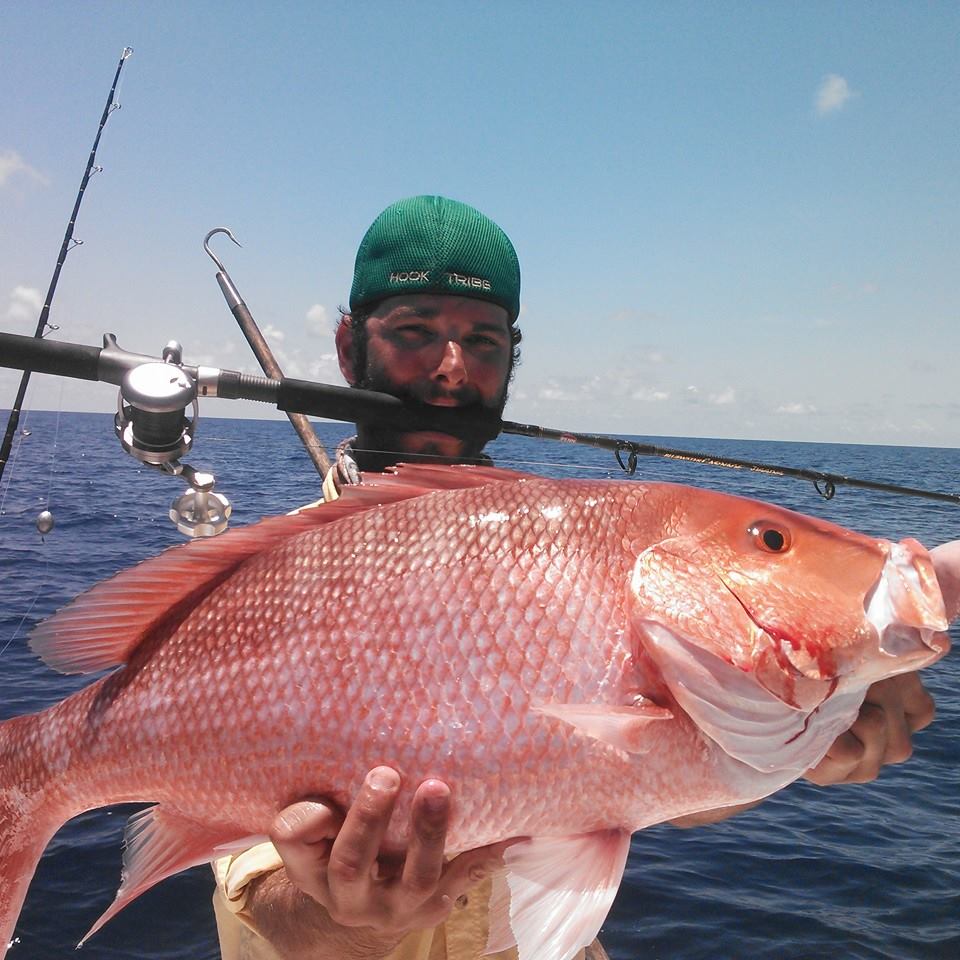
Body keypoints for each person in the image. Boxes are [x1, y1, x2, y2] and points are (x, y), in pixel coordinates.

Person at [212, 195, 960, 960]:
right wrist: (340, 913)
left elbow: (645, 780)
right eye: (414, 333)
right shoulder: (259, 587)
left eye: (483, 342)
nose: (450, 370)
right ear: (347, 348)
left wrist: (812, 729)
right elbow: (261, 903)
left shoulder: (561, 554)